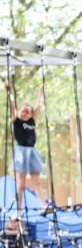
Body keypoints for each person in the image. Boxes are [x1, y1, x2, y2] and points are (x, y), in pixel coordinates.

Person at [5, 79, 45, 208]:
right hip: (21, 151)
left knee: (36, 182)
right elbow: (12, 106)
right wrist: (9, 92)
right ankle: (18, 209)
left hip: (31, 151)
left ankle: (43, 205)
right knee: (21, 184)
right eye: (24, 111)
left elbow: (38, 105)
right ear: (19, 112)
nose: (26, 113)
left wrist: (41, 92)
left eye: (29, 111)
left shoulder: (32, 121)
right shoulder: (16, 121)